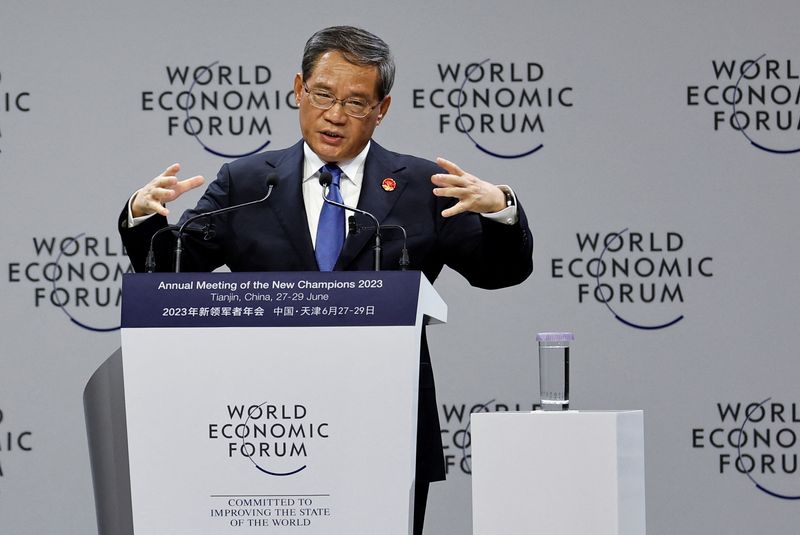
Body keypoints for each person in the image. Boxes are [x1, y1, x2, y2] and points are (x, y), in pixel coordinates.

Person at [119, 25, 533, 535]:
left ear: (382, 109)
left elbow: (500, 273)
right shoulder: (248, 182)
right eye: (322, 95)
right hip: (265, 429)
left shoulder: (423, 187)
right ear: (298, 89)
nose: (335, 115)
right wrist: (143, 220)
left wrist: (503, 213)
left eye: (357, 103)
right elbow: (174, 276)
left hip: (386, 430)